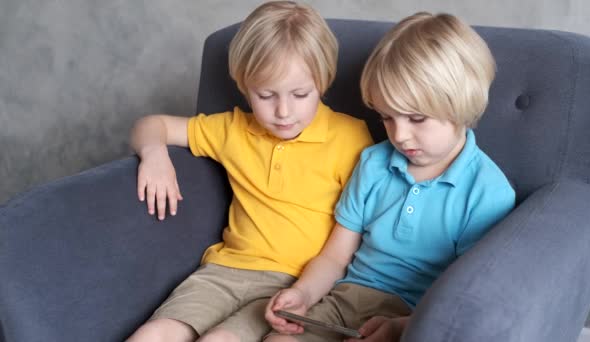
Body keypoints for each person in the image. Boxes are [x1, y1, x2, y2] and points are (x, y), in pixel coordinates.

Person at [126, 2, 373, 342]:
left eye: (300, 94)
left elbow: (353, 235)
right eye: (266, 95)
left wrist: (305, 291)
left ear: (323, 82)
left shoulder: (351, 138)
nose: (283, 112)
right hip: (221, 273)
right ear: (244, 86)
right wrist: (155, 155)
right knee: (151, 335)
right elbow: (150, 125)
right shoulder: (233, 129)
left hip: (291, 283)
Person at [264, 12, 516, 342]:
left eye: (416, 118)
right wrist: (304, 294)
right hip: (345, 299)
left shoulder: (487, 192)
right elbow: (335, 255)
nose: (400, 136)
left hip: (417, 315)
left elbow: (464, 295)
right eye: (387, 117)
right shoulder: (374, 163)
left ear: (461, 105)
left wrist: (402, 325)